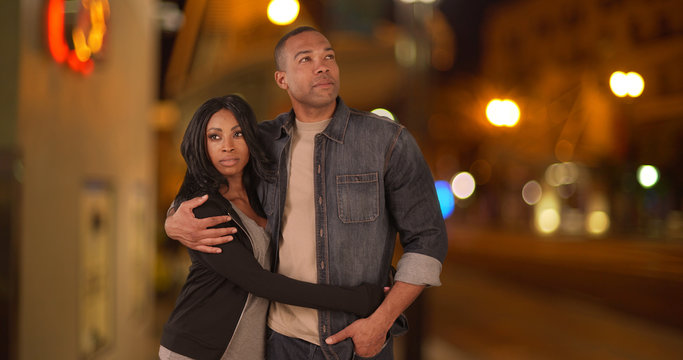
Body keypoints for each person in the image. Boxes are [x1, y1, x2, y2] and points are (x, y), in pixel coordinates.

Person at [165, 27, 448, 359]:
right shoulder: (260, 142)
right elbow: (202, 177)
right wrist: (172, 220)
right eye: (306, 59)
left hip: (358, 342)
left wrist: (381, 321)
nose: (322, 66)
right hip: (280, 342)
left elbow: (429, 239)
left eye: (329, 56)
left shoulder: (388, 142)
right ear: (282, 79)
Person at [159, 94, 385, 360]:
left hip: (244, 347)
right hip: (197, 347)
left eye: (238, 134)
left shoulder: (259, 192)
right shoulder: (203, 209)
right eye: (215, 137)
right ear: (201, 144)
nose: (228, 146)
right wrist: (358, 299)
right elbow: (261, 283)